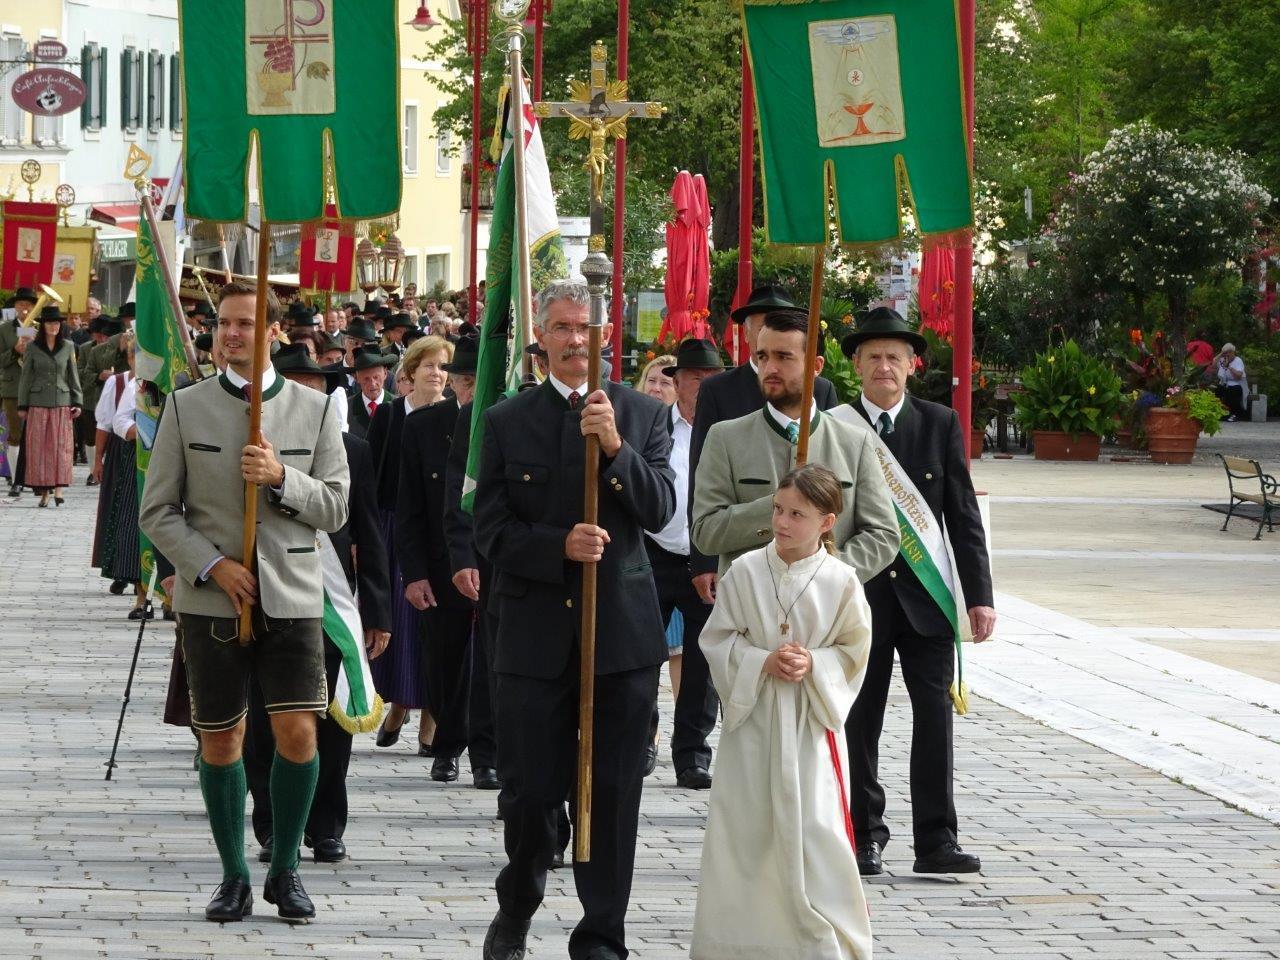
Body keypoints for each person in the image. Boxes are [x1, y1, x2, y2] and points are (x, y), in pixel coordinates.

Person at [474, 280, 675, 960]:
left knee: (614, 795)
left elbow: (660, 509)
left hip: (621, 637)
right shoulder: (507, 420)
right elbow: (489, 529)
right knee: (530, 793)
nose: (574, 340)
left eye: (585, 328)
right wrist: (556, 545)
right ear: (541, 336)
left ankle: (601, 936)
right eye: (560, 327)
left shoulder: (643, 414)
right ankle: (519, 902)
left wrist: (615, 449)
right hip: (533, 638)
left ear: (606, 334)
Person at [139, 280, 350, 923]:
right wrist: (212, 565)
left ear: (274, 333)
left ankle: (285, 869)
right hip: (212, 601)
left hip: (293, 595)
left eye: (247, 324)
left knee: (299, 731)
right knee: (221, 737)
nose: (231, 334)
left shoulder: (315, 410)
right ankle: (233, 874)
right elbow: (157, 511)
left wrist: (283, 478)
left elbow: (337, 507)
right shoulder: (186, 407)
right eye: (224, 323)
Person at [832, 306, 995, 877]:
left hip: (927, 599)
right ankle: (863, 837)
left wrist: (979, 595)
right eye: (874, 356)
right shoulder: (836, 425)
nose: (884, 366)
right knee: (860, 722)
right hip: (860, 598)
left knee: (935, 718)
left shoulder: (939, 423)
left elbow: (962, 514)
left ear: (911, 366)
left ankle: (936, 840)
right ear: (856, 364)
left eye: (894, 357)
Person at [691, 464, 873, 960]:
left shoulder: (841, 580)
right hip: (754, 719)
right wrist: (760, 660)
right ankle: (739, 943)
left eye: (797, 514)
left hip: (810, 722)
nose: (782, 522)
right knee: (746, 830)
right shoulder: (745, 571)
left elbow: (855, 650)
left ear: (827, 522)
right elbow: (717, 639)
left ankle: (824, 936)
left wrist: (814, 662)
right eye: (778, 509)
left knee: (817, 826)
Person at [244, 343, 392, 866]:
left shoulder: (354, 448)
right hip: (265, 596)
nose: (310, 393)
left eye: (318, 385)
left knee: (331, 720)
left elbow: (369, 532)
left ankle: (326, 825)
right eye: (297, 384)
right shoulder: (252, 446)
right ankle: (271, 824)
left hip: (329, 602)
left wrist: (378, 612)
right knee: (266, 722)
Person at [690, 308, 898, 581]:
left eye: (783, 357)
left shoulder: (854, 443)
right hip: (750, 601)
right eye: (763, 356)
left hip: (828, 604)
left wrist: (826, 574)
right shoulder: (725, 438)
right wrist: (778, 508)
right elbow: (705, 533)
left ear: (816, 366)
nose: (769, 368)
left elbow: (883, 535)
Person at [687, 285, 840, 611]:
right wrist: (703, 561)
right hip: (745, 580)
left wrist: (834, 568)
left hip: (818, 588)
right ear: (747, 334)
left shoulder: (823, 389)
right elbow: (701, 479)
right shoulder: (718, 390)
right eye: (761, 323)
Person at [396, 335, 497, 786]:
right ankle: (448, 743)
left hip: (495, 559)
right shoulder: (424, 426)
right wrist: (414, 573)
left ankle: (487, 753)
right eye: (465, 380)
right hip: (441, 564)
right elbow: (409, 507)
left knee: (493, 660)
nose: (471, 390)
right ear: (452, 382)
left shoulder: (505, 421)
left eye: (479, 381)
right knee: (444, 659)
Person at [366, 336, 453, 758]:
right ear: (411, 371)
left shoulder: (455, 417)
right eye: (429, 365)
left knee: (433, 627)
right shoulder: (389, 414)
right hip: (391, 528)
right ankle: (399, 703)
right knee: (398, 626)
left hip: (438, 534)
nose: (437, 373)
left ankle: (431, 721)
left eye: (444, 366)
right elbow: (370, 478)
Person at [644, 339, 723, 789]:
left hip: (707, 556)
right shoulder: (655, 424)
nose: (703, 385)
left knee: (701, 663)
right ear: (677, 382)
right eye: (695, 377)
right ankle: (642, 738)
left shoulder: (726, 430)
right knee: (641, 655)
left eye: (711, 378)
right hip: (653, 552)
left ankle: (692, 754)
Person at [17, 305, 82, 508]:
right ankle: (44, 492)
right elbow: (26, 377)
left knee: (61, 447)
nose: (53, 326)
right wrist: (22, 404)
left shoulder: (69, 346)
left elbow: (73, 375)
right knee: (39, 449)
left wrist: (77, 401)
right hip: (37, 403)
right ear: (43, 325)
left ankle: (59, 490)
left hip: (62, 402)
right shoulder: (32, 347)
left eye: (56, 323)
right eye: (49, 323)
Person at [1, 288, 39, 477]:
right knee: (15, 434)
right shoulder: (4, 329)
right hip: (12, 387)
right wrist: (15, 351)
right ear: (15, 307)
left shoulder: (40, 328)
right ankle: (16, 477)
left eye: (29, 304)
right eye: (21, 304)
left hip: (36, 388)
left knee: (36, 435)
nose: (25, 308)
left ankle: (34, 475)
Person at [345, 347, 396, 440]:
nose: (372, 384)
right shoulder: (347, 407)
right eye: (366, 379)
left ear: (385, 374)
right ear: (356, 378)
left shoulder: (398, 406)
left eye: (376, 377)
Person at [1213, 343, 1249, 422]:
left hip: (1238, 384)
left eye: (1229, 352)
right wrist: (1221, 354)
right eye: (1225, 353)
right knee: (1218, 390)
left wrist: (1229, 367)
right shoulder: (1223, 359)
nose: (1227, 354)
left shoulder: (1238, 360)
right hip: (1225, 384)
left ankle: (1235, 414)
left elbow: (1239, 376)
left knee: (1232, 391)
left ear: (1233, 352)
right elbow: (1214, 363)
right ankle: (1221, 413)